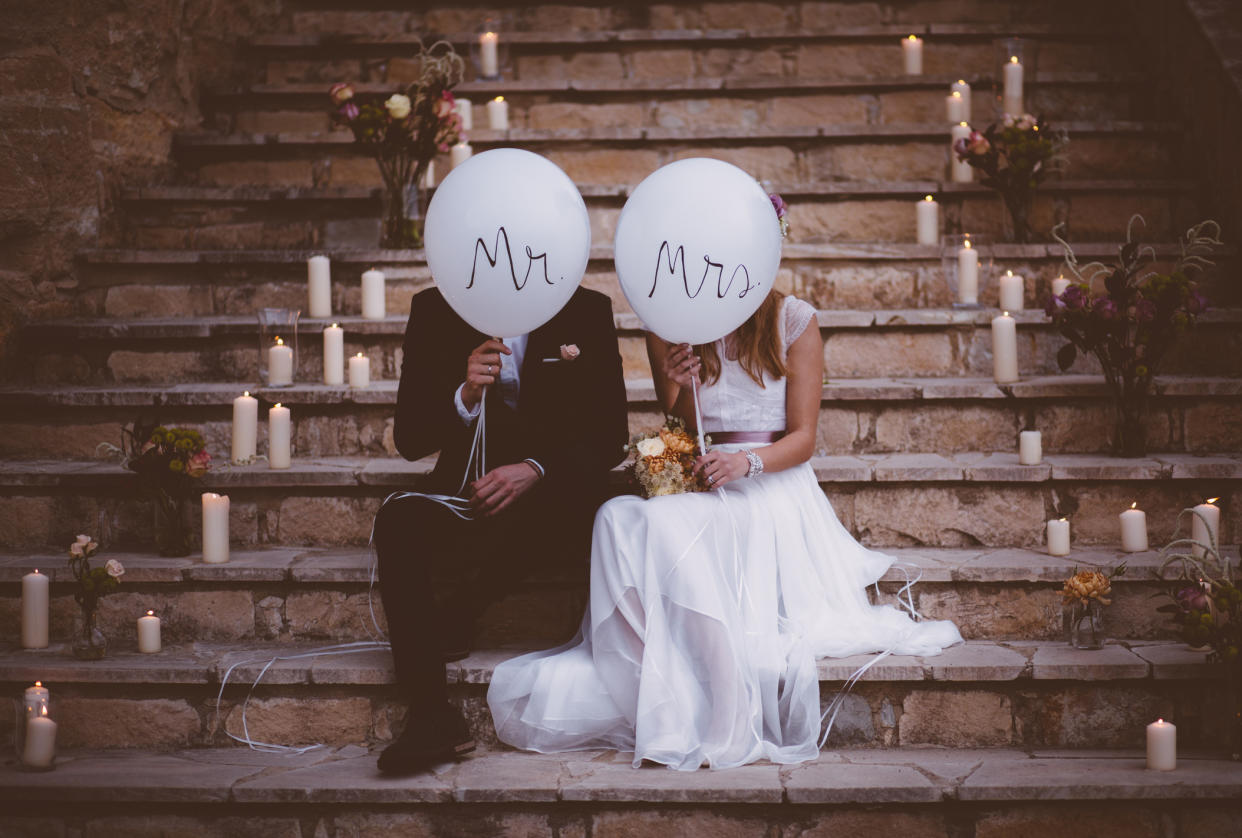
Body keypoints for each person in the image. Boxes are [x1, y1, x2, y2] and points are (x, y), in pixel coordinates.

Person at [487, 289, 962, 770]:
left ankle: (728, 701)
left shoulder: (792, 319)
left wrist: (747, 463)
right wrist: (681, 386)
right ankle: (658, 690)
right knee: (614, 517)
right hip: (708, 483)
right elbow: (685, 432)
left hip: (771, 486)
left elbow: (803, 439)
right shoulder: (670, 324)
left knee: (665, 525)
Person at [372, 284, 629, 775]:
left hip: (556, 493)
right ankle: (430, 715)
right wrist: (463, 394)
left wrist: (535, 468)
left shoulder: (585, 309)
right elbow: (409, 438)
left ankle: (464, 607)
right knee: (397, 520)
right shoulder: (435, 307)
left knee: (602, 505)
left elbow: (611, 433)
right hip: (467, 490)